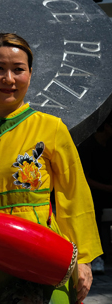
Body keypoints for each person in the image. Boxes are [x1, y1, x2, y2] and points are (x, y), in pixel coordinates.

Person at [0, 32, 102, 304]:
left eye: (18, 70)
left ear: (30, 74)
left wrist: (83, 259)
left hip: (40, 255)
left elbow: (74, 196)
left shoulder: (51, 128)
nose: (9, 79)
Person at [77, 113, 112, 274]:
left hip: (107, 191)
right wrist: (106, 188)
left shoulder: (109, 145)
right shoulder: (88, 146)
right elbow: (84, 178)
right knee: (93, 206)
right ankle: (97, 256)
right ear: (106, 127)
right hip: (93, 192)